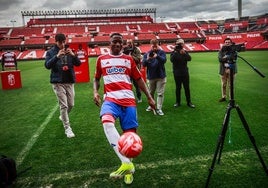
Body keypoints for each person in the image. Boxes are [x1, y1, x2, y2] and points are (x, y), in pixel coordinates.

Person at [93, 33, 155, 185]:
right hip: (111, 99)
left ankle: (128, 169)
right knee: (107, 123)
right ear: (110, 43)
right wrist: (95, 92)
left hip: (128, 100)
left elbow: (138, 79)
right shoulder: (101, 59)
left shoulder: (128, 60)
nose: (118, 45)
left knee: (130, 137)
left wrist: (149, 96)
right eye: (115, 42)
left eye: (120, 43)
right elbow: (96, 78)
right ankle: (126, 163)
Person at [45, 33, 81, 138]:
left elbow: (78, 63)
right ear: (56, 42)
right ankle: (67, 128)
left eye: (64, 42)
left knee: (71, 104)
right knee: (64, 105)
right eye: (60, 42)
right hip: (57, 82)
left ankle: (62, 116)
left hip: (69, 81)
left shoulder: (69, 50)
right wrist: (56, 57)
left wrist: (73, 55)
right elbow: (47, 65)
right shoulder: (51, 52)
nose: (62, 44)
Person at [142, 39, 167, 115]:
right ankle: (151, 106)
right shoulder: (147, 54)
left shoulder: (162, 52)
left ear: (158, 45)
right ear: (151, 45)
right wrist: (148, 59)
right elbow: (143, 64)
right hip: (151, 76)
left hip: (161, 76)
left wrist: (157, 56)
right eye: (153, 46)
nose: (154, 48)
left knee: (160, 93)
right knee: (150, 93)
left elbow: (164, 60)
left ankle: (159, 108)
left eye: (156, 46)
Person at [170, 39, 195, 108]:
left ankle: (189, 102)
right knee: (178, 88)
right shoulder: (173, 52)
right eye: (179, 44)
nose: (180, 45)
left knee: (187, 88)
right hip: (177, 73)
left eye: (181, 44)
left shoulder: (185, 52)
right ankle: (177, 102)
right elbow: (172, 60)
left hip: (184, 73)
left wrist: (184, 54)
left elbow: (189, 59)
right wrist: (175, 52)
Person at [218, 38, 237, 102]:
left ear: (231, 43)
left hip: (232, 70)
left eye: (228, 42)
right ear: (224, 43)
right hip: (223, 70)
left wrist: (225, 57)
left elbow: (234, 58)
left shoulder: (234, 51)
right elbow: (220, 60)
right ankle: (224, 97)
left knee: (231, 85)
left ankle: (231, 98)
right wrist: (228, 57)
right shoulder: (221, 51)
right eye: (226, 42)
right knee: (223, 84)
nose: (227, 43)